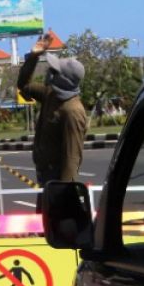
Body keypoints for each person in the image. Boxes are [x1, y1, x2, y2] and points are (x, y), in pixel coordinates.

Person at [17, 33, 89, 184]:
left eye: (54, 71)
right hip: (44, 173)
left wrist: (62, 192)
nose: (49, 73)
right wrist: (33, 57)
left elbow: (72, 157)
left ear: (64, 80)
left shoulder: (72, 111)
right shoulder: (51, 94)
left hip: (56, 177)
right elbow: (23, 86)